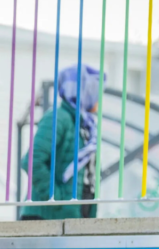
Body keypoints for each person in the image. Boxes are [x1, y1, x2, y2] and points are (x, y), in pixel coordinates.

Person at [20, 65, 103, 220]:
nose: (99, 99)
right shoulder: (59, 117)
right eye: (95, 93)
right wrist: (57, 199)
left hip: (75, 218)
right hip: (45, 219)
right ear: (84, 93)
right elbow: (32, 161)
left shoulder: (86, 126)